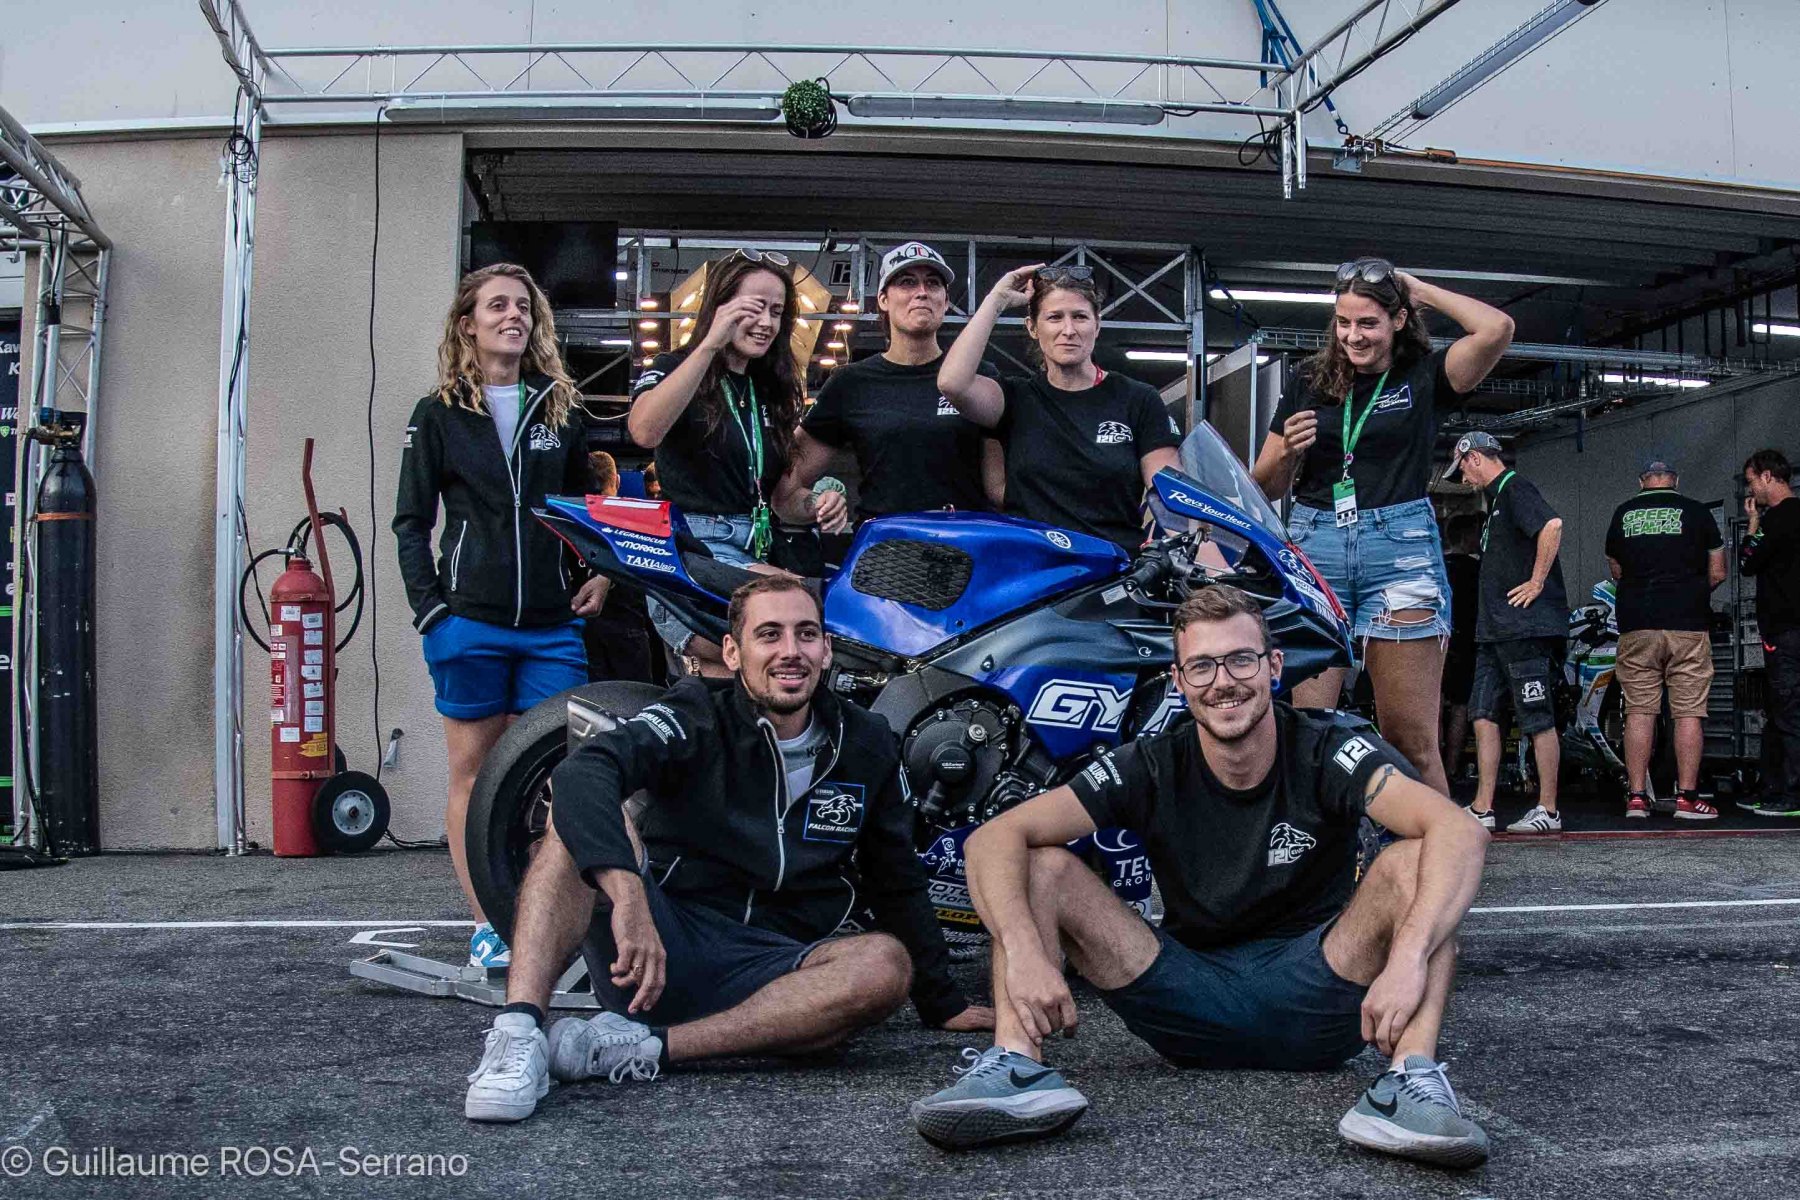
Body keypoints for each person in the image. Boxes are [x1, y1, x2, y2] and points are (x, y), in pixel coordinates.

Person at [908, 585, 1490, 1168]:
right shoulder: (1150, 762)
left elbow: (1459, 830)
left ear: (1274, 666)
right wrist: (1025, 952)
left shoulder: (1328, 748)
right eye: (1202, 666)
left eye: (1241, 660)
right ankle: (1016, 1065)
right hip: (1188, 999)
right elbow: (992, 838)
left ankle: (1409, 1081)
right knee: (1041, 864)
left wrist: (1408, 959)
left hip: (1317, 998)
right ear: (1179, 681)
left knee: (1418, 861)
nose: (1223, 681)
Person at [463, 576, 993, 1123]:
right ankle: (517, 1035)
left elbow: (895, 874)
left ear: (827, 650)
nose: (790, 651)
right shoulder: (695, 712)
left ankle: (642, 1050)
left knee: (884, 963)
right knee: (573, 823)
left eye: (806, 634)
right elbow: (583, 772)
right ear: (734, 653)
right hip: (655, 950)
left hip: (772, 974)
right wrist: (628, 896)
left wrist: (942, 1001)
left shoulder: (868, 740)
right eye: (769, 634)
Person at [394, 263, 604, 970]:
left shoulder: (560, 409)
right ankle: (488, 921)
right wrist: (433, 613)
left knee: (560, 777)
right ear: (469, 324)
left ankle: (545, 917)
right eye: (497, 306)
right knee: (475, 775)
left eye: (523, 306)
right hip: (469, 626)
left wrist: (600, 575)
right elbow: (410, 522)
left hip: (551, 628)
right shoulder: (438, 414)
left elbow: (586, 512)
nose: (513, 315)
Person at [1251, 261, 1514, 796]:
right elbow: (1265, 484)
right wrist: (1288, 452)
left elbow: (1497, 329)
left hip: (1400, 550)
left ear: (1398, 320)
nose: (1353, 336)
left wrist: (1419, 289)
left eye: (1368, 323)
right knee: (1309, 729)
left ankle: (1439, 842)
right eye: (1344, 322)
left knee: (1410, 738)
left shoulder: (1425, 376)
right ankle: (1314, 843)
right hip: (1316, 544)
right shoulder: (1308, 380)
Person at [627, 250, 806, 674]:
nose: (766, 322)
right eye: (754, 308)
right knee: (789, 617)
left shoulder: (769, 389)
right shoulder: (674, 366)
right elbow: (644, 431)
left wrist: (818, 503)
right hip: (695, 546)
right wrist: (709, 344)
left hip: (760, 541)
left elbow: (784, 500)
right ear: (720, 306)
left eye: (776, 312)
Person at [936, 263, 1181, 554]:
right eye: (1054, 317)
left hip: (1115, 568)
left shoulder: (1138, 399)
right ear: (1032, 327)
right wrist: (996, 300)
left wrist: (1216, 572)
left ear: (1097, 325)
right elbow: (952, 383)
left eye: (1080, 317)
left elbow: (1173, 498)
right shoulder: (1014, 397)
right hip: (1035, 567)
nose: (1069, 330)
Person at [773, 241, 999, 531]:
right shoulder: (851, 383)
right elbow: (785, 493)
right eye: (907, 282)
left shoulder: (979, 376)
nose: (922, 292)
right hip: (884, 546)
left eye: (933, 283)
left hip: (966, 542)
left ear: (945, 301)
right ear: (882, 299)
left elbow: (1003, 489)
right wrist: (818, 503)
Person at [1445, 433, 1568, 834]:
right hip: (1493, 633)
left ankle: (1549, 809)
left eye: (1462, 470)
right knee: (1481, 714)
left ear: (1475, 458)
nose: (1464, 480)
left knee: (1537, 716)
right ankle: (1483, 807)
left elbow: (1552, 525)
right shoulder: (1496, 500)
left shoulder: (1515, 488)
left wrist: (1536, 582)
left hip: (1522, 629)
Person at [1603, 458, 1726, 820]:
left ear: (1642, 481)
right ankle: (1687, 799)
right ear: (1676, 480)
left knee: (1639, 710)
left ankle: (1637, 798)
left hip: (1637, 623)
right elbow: (1718, 572)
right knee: (1688, 711)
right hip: (1688, 623)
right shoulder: (1698, 512)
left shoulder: (1623, 513)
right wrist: (1689, 593)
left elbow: (1616, 569)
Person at [1741, 449, 1800, 817]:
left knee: (1786, 711)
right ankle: (1774, 787)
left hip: (1784, 630)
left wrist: (1752, 524)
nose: (1752, 490)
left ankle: (1791, 794)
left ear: (1767, 476)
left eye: (1751, 481)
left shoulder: (1775, 520)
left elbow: (1747, 562)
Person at [580, 451, 657, 686]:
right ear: (618, 480)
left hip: (584, 628)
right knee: (637, 697)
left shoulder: (571, 519)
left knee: (591, 700)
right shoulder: (636, 520)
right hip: (629, 628)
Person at [1440, 513, 1483, 786]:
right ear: (1467, 537)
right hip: (1466, 644)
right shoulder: (1477, 571)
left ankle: (1431, 767)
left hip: (1437, 640)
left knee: (1434, 704)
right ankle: (1451, 769)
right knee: (1460, 706)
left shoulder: (1438, 567)